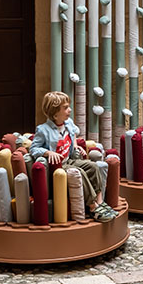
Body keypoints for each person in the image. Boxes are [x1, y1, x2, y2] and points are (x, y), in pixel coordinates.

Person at [29, 91, 118, 222]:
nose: (69, 110)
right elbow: (33, 148)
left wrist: (75, 145)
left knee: (92, 166)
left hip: (70, 160)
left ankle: (100, 202)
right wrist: (48, 152)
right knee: (79, 172)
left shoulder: (68, 123)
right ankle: (93, 207)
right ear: (55, 113)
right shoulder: (43, 130)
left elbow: (74, 133)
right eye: (65, 108)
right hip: (59, 166)